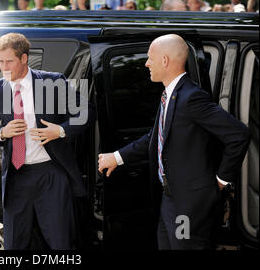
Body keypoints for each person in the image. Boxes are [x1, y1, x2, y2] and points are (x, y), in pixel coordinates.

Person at [98, 34, 250, 250]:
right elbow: (156, 136)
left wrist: (221, 181)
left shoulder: (191, 97)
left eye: (151, 58)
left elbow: (239, 134)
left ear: (165, 60)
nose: (146, 63)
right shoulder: (169, 95)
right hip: (169, 200)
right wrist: (117, 157)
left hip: (189, 206)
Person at [0, 33, 93, 249]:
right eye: (0, 61)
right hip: (16, 177)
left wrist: (60, 131)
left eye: (9, 61)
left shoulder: (53, 81)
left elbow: (86, 112)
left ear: (24, 59)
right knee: (14, 244)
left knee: (61, 242)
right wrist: (3, 132)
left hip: (51, 173)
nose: (4, 67)